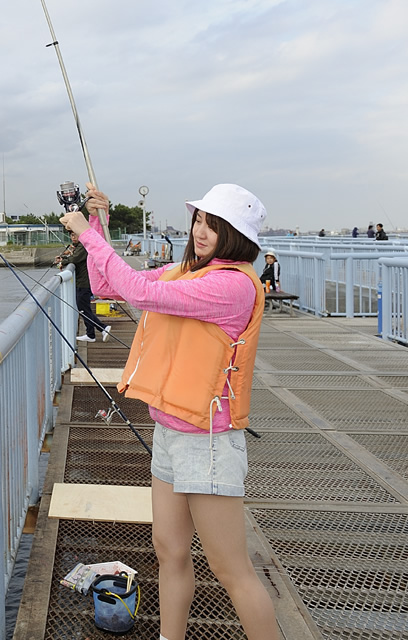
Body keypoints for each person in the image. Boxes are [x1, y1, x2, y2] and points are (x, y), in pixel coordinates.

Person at [60, 183, 278, 640]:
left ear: (236, 236)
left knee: (230, 569)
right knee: (168, 551)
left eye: (213, 225)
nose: (200, 231)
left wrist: (85, 233)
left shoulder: (231, 285)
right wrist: (95, 224)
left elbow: (139, 293)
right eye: (199, 220)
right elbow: (106, 285)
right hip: (170, 432)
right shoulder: (188, 272)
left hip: (209, 442)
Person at [55, 230, 110, 342]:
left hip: (84, 283)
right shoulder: (79, 246)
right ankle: (96, 331)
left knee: (83, 309)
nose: (73, 237)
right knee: (84, 309)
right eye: (71, 235)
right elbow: (74, 257)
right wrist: (64, 258)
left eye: (75, 234)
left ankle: (98, 331)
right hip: (83, 282)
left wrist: (63, 261)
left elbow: (75, 259)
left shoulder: (83, 246)